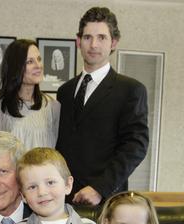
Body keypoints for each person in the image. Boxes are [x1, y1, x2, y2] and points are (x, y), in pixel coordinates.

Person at [56, 6, 149, 206]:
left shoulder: (131, 89)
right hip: (63, 199)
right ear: (78, 41)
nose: (94, 44)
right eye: (88, 37)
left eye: (102, 37)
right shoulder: (64, 91)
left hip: (106, 201)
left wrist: (100, 188)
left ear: (113, 42)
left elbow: (136, 146)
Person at [0, 39, 60, 150]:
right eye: (30, 62)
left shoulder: (53, 106)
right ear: (16, 67)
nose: (38, 66)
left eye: (39, 59)